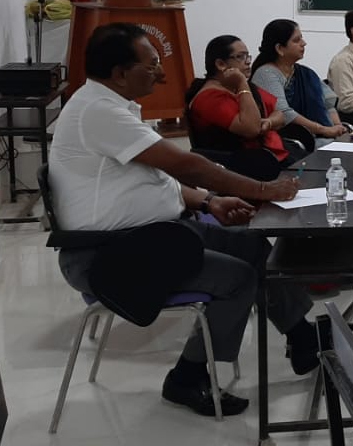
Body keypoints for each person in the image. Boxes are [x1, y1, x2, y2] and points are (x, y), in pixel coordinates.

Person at [49, 22, 318, 418]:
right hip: (110, 255)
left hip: (154, 237)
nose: (161, 73)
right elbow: (185, 164)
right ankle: (186, 378)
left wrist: (210, 202)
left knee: (255, 247)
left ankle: (303, 337)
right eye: (152, 65)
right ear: (121, 73)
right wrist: (262, 190)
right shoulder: (98, 112)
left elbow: (157, 180)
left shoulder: (114, 106)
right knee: (238, 278)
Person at [187, 35, 306, 170]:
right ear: (220, 64)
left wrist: (269, 122)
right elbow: (251, 129)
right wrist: (242, 83)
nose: (248, 62)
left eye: (248, 56)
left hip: (271, 155)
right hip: (242, 164)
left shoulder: (239, 88)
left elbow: (279, 114)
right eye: (240, 57)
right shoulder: (209, 97)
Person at [250, 19, 349, 146]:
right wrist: (324, 130)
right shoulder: (266, 74)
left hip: (322, 136)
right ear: (280, 48)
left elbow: (328, 103)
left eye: (301, 38)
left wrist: (338, 127)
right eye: (297, 40)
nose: (304, 43)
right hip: (291, 141)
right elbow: (284, 113)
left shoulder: (305, 73)